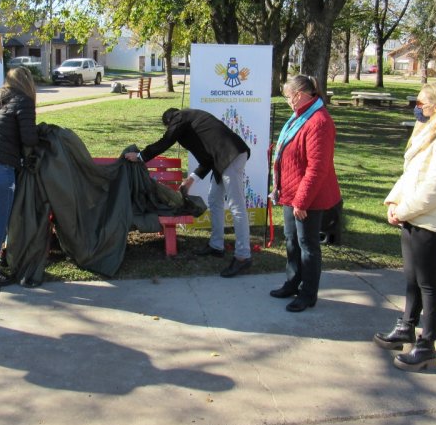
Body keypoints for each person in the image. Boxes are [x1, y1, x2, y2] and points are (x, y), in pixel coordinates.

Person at [374, 83, 436, 372]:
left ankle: (426, 345)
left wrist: (404, 211)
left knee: (428, 284)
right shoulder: (430, 132)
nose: (416, 108)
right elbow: (411, 175)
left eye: (420, 103)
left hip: (433, 223)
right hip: (414, 218)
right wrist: (394, 202)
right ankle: (406, 327)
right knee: (412, 280)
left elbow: (434, 189)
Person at [125, 108, 252, 277]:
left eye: (168, 126)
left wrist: (141, 156)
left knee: (237, 207)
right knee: (214, 200)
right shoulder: (191, 125)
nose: (170, 129)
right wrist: (190, 180)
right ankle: (216, 246)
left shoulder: (181, 116)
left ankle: (243, 256)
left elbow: (167, 139)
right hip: (221, 159)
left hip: (231, 155)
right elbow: (206, 160)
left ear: (169, 121)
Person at [269, 75, 342, 312]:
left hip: (309, 197)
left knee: (308, 245)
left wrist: (301, 201)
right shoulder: (301, 116)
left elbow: (317, 168)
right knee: (291, 241)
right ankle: (292, 282)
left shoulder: (319, 121)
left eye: (289, 97)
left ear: (300, 95)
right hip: (291, 192)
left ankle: (308, 294)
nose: (288, 101)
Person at [0, 66, 38, 288]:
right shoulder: (23, 101)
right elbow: (29, 138)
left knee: (0, 218)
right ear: (27, 82)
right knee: (0, 222)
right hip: (2, 167)